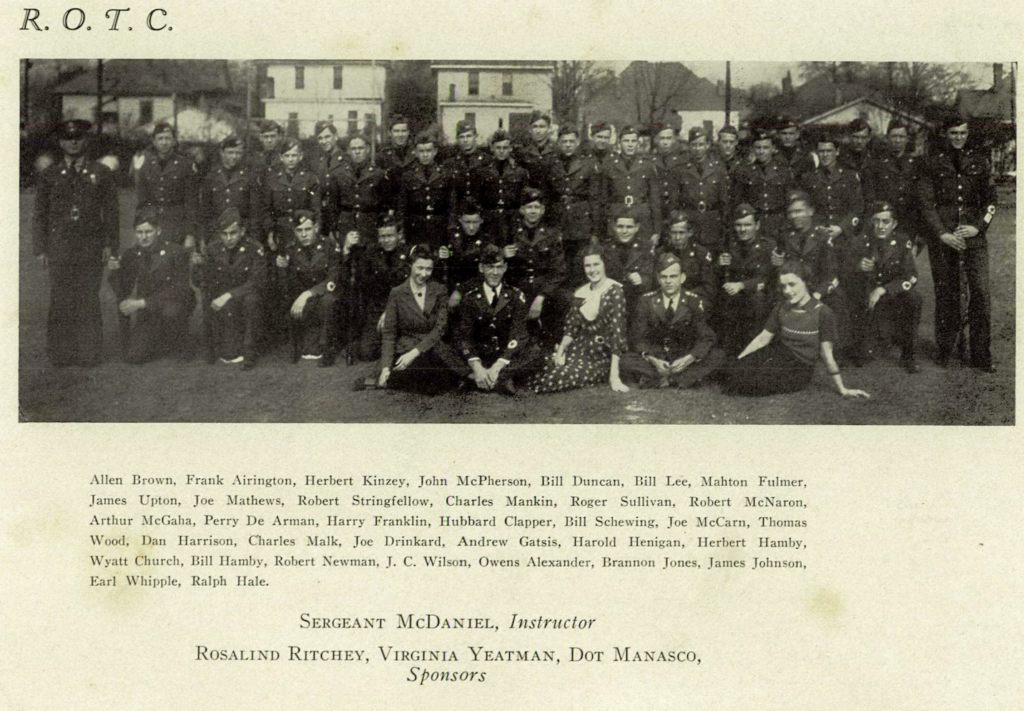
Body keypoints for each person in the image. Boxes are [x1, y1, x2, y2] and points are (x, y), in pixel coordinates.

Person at [33, 119, 120, 367]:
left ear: (85, 141)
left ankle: (89, 353)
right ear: (61, 142)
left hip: (90, 247)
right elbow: (40, 213)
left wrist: (110, 247)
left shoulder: (100, 173)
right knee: (61, 299)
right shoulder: (50, 175)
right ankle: (61, 354)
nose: (73, 143)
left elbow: (112, 213)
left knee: (88, 299)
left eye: (78, 138)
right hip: (59, 248)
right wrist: (40, 248)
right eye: (68, 138)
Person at [917, 116, 997, 371]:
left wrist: (978, 227)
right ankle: (945, 349)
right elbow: (926, 204)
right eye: (953, 133)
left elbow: (991, 202)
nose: (958, 137)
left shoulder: (979, 162)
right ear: (945, 134)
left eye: (962, 133)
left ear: (968, 133)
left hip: (974, 239)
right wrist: (942, 234)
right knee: (946, 295)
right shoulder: (931, 163)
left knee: (981, 294)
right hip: (944, 240)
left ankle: (981, 354)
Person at [723, 260, 870, 398]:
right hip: (779, 354)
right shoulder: (781, 306)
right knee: (732, 370)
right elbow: (763, 338)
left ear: (805, 283)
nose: (787, 291)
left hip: (799, 369)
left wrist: (842, 389)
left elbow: (826, 353)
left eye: (792, 284)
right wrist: (739, 360)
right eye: (783, 286)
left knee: (742, 383)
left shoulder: (823, 312)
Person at [527, 245, 629, 394]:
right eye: (588, 266)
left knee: (556, 377)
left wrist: (614, 376)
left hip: (599, 355)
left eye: (596, 264)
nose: (592, 270)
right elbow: (571, 327)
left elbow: (617, 333)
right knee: (542, 365)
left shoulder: (615, 291)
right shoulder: (582, 292)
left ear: (605, 264)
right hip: (576, 350)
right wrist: (561, 351)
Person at [622, 252, 724, 389]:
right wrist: (653, 359)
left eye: (673, 276)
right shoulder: (646, 300)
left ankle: (665, 379)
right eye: (664, 277)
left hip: (682, 356)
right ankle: (678, 379)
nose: (668, 281)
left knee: (717, 355)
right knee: (625, 360)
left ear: (682, 278)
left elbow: (706, 337)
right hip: (657, 356)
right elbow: (638, 337)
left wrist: (690, 358)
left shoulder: (693, 301)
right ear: (658, 278)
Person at [453, 245, 545, 395]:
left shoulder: (515, 296)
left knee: (535, 352)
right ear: (481, 268)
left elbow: (518, 333)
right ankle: (492, 378)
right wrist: (477, 366)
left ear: (505, 268)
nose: (495, 273)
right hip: (480, 355)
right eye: (490, 267)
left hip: (504, 355)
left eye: (499, 267)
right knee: (450, 348)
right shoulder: (470, 298)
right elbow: (464, 335)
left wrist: (498, 365)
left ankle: (485, 379)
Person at [107, 207, 194, 363]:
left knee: (171, 312)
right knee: (134, 357)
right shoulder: (131, 255)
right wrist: (115, 272)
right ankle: (157, 339)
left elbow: (180, 290)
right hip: (149, 312)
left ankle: (179, 339)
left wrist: (142, 302)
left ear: (158, 231)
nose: (144, 237)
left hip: (173, 305)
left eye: (148, 232)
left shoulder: (175, 252)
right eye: (139, 233)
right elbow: (123, 289)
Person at [375, 244, 464, 395]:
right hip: (406, 348)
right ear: (410, 266)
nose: (424, 274)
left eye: (428, 269)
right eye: (419, 268)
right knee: (425, 377)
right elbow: (389, 334)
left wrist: (414, 353)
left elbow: (440, 328)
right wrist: (385, 368)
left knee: (434, 378)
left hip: (431, 347)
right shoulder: (397, 293)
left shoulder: (439, 290)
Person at [847, 201, 922, 373]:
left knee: (914, 299)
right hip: (866, 295)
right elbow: (844, 272)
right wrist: (858, 267)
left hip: (891, 294)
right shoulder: (860, 242)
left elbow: (911, 277)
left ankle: (908, 355)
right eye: (876, 221)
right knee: (862, 357)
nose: (881, 226)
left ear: (894, 223)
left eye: (886, 222)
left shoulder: (903, 241)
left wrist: (885, 289)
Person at [191, 207, 267, 369]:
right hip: (225, 303)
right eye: (224, 234)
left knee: (251, 301)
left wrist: (229, 295)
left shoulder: (255, 248)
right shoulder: (213, 249)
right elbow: (201, 282)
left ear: (242, 231)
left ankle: (250, 350)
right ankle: (215, 343)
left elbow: (257, 282)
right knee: (229, 353)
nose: (229, 238)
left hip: (246, 297)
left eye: (233, 233)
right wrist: (197, 267)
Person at [275, 210, 341, 366]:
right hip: (304, 302)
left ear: (316, 228)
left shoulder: (329, 246)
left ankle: (326, 348)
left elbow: (333, 279)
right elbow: (287, 283)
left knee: (328, 301)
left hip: (324, 296)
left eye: (307, 229)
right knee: (308, 348)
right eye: (299, 230)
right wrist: (281, 268)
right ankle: (296, 344)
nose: (303, 234)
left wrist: (308, 294)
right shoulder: (290, 249)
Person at [504, 187, 568, 348]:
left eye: (536, 207)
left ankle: (555, 347)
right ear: (522, 210)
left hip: (543, 286)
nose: (533, 211)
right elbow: (493, 259)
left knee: (562, 301)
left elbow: (559, 271)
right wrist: (502, 253)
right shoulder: (510, 232)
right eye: (529, 207)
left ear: (543, 210)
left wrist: (541, 296)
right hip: (519, 287)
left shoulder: (552, 234)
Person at [544, 124, 602, 278]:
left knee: (579, 265)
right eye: (564, 142)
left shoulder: (588, 165)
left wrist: (595, 230)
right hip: (558, 220)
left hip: (581, 222)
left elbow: (594, 199)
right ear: (559, 143)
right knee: (558, 263)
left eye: (571, 141)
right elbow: (547, 197)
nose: (568, 145)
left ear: (577, 143)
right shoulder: (551, 163)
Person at [350, 215, 410, 361]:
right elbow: (363, 282)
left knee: (404, 347)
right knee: (366, 354)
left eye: (390, 235)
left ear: (399, 235)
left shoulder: (409, 253)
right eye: (382, 236)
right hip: (378, 307)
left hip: (404, 307)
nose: (386, 240)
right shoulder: (371, 254)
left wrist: (391, 310)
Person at [716, 203, 773, 354]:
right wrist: (719, 264)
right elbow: (718, 276)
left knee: (757, 303)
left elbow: (765, 278)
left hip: (757, 295)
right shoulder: (728, 244)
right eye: (738, 225)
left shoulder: (767, 246)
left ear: (757, 225)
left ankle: (755, 352)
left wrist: (742, 285)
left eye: (748, 225)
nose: (742, 229)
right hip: (734, 296)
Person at [134, 122, 199, 249]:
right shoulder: (146, 165)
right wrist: (138, 228)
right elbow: (142, 202)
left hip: (176, 226)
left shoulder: (185, 165)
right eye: (160, 138)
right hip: (152, 225)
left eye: (168, 138)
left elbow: (191, 203)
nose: (164, 142)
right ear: (154, 142)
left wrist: (190, 234)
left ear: (174, 141)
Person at [862, 120, 924, 250]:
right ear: (887, 138)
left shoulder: (916, 165)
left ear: (907, 139)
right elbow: (870, 198)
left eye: (901, 136)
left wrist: (918, 232)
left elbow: (921, 199)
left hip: (908, 226)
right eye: (894, 136)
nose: (897, 140)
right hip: (883, 225)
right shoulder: (875, 165)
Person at [200, 135, 263, 252]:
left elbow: (255, 212)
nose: (234, 156)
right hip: (217, 235)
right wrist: (204, 237)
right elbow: (205, 211)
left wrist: (255, 239)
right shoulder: (211, 177)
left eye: (238, 153)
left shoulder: (250, 177)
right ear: (222, 153)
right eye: (230, 152)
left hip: (243, 235)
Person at [600, 125, 661, 244]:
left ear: (638, 143)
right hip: (617, 218)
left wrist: (656, 231)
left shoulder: (647, 166)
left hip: (641, 218)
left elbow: (655, 201)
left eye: (633, 141)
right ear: (619, 143)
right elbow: (603, 199)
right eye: (626, 141)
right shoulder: (609, 166)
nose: (630, 144)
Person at [731, 129, 795, 238]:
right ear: (752, 149)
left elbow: (789, 201)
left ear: (773, 149)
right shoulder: (744, 171)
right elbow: (738, 201)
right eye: (758, 148)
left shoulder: (783, 171)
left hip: (778, 225)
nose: (761, 151)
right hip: (754, 226)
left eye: (765, 148)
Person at [398, 130, 455, 251]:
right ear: (415, 153)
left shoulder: (445, 174)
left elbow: (452, 205)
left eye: (428, 151)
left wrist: (450, 229)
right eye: (421, 151)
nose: (425, 155)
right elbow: (403, 207)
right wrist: (402, 230)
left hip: (440, 228)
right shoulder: (408, 176)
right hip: (415, 229)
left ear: (435, 151)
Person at [327, 134, 388, 246]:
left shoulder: (378, 174)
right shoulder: (338, 174)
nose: (357, 152)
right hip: (346, 226)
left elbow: (384, 206)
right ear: (348, 151)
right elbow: (333, 205)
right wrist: (334, 228)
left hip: (369, 227)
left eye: (361, 148)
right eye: (354, 149)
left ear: (368, 149)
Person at [471, 130, 530, 245]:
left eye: (505, 147)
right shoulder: (482, 171)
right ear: (492, 148)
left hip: (512, 220)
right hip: (489, 220)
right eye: (498, 148)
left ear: (510, 148)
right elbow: (476, 197)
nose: (501, 151)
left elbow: (524, 199)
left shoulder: (520, 172)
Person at [262, 138, 322, 251]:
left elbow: (316, 209)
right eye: (287, 155)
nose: (291, 159)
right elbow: (266, 210)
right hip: (280, 232)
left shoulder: (310, 179)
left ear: (301, 156)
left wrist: (315, 232)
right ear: (281, 157)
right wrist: (270, 234)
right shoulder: (272, 179)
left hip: (303, 231)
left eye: (294, 155)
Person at [677, 126, 731, 251]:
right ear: (689, 146)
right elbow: (675, 203)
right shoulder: (680, 170)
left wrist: (724, 225)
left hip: (712, 223)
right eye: (694, 145)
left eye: (701, 144)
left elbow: (724, 202)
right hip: (689, 222)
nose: (698, 149)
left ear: (707, 145)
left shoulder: (718, 169)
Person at [601, 205, 656, 320]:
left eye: (629, 227)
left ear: (637, 228)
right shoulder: (605, 248)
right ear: (614, 227)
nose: (624, 231)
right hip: (611, 303)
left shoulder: (646, 248)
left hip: (637, 302)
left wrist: (642, 279)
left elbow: (651, 278)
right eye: (620, 226)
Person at [657, 210, 717, 303]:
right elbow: (655, 284)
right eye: (673, 233)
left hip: (692, 302)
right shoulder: (661, 253)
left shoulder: (700, 254)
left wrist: (682, 297)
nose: (677, 238)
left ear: (690, 233)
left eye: (681, 233)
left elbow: (709, 289)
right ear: (669, 233)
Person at [446, 120, 492, 207]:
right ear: (457, 139)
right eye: (462, 137)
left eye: (469, 136)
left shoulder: (487, 160)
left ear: (476, 136)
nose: (466, 140)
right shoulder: (450, 163)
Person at [514, 111, 556, 189]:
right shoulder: (522, 152)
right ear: (530, 129)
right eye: (535, 127)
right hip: (529, 197)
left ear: (549, 129)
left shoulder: (557, 150)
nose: (538, 131)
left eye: (542, 127)